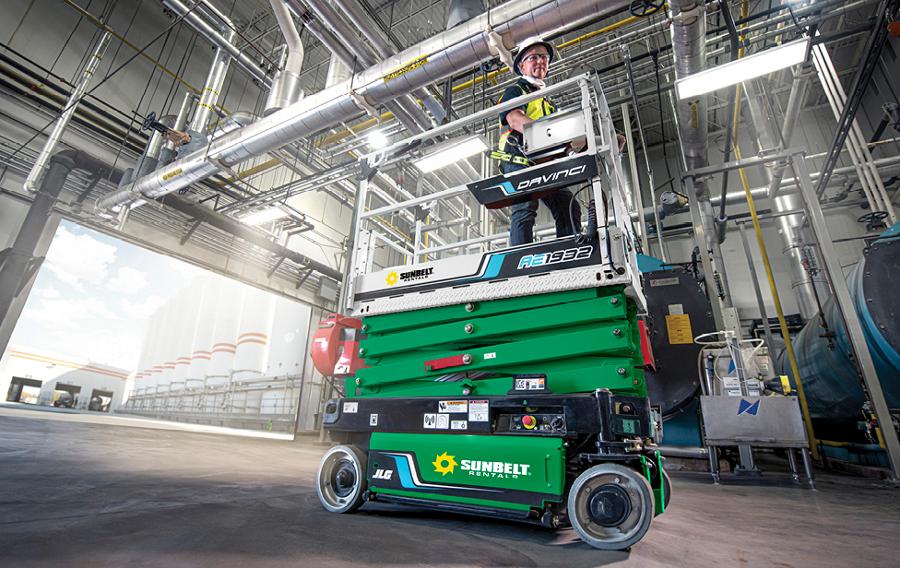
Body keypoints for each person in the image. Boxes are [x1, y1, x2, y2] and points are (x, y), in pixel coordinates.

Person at [496, 37, 581, 246]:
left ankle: (568, 253)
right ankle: (520, 260)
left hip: (543, 160)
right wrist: (551, 133)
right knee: (525, 207)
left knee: (568, 205)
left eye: (544, 57)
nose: (540, 61)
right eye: (533, 57)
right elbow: (515, 119)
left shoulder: (548, 101)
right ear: (521, 65)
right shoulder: (516, 91)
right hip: (518, 157)